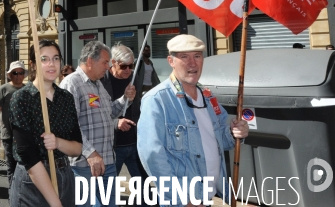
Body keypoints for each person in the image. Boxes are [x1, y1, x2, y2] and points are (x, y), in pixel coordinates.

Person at [137, 34, 249, 206]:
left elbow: (220, 140)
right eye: (184, 57)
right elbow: (153, 156)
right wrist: (181, 199)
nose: (192, 63)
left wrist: (235, 133)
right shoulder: (156, 100)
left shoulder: (208, 97)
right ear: (171, 61)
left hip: (210, 195)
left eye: (197, 56)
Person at [60, 41, 136, 207]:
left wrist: (125, 99)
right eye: (105, 62)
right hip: (84, 165)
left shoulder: (98, 84)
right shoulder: (71, 84)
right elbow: (68, 126)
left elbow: (108, 114)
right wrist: (90, 153)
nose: (108, 67)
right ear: (89, 61)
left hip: (107, 161)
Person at [9, 40, 83, 207]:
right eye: (44, 59)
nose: (51, 64)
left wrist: (57, 142)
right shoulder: (21, 98)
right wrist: (56, 204)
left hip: (65, 176)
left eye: (56, 58)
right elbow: (28, 156)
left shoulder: (66, 98)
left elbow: (77, 148)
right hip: (33, 182)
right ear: (33, 64)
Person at [100, 43, 150, 206]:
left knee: (143, 188)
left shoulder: (134, 78)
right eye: (124, 66)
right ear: (113, 63)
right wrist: (116, 123)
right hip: (112, 146)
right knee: (108, 191)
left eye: (131, 65)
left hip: (134, 143)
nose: (129, 70)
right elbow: (96, 115)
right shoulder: (100, 82)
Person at [0, 60, 26, 188]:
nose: (18, 75)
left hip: (25, 135)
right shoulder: (3, 89)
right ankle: (13, 194)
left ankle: (22, 193)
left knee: (24, 166)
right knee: (11, 166)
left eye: (21, 73)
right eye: (15, 73)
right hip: (8, 135)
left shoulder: (28, 89)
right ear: (10, 75)